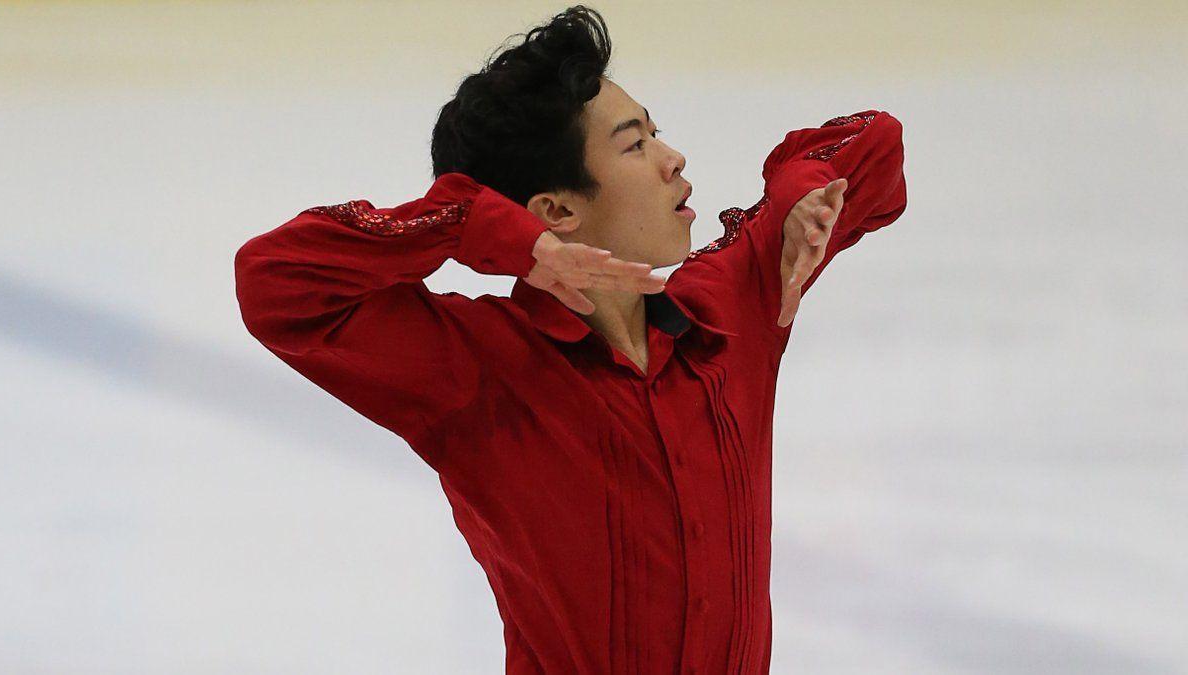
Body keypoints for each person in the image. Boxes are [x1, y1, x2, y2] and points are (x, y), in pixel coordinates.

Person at [233, 5, 906, 673]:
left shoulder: (729, 315)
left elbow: (875, 141)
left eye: (656, 133)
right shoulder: (480, 368)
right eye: (635, 144)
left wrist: (800, 196)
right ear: (556, 211)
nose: (673, 160)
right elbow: (275, 281)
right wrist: (484, 228)